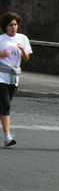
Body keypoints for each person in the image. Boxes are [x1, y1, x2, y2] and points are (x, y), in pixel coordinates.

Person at [0, 12, 32, 147]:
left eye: (16, 25)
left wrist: (23, 50)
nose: (14, 27)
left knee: (3, 107)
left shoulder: (22, 38)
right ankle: (7, 136)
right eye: (11, 25)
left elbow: (26, 59)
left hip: (14, 77)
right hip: (1, 75)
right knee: (6, 105)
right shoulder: (1, 39)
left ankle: (6, 134)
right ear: (5, 27)